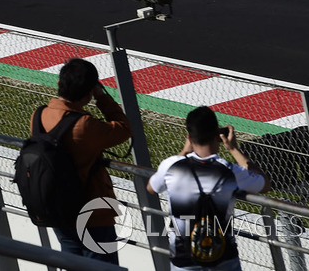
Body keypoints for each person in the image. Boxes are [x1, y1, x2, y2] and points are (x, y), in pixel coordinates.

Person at [148, 106, 271, 270]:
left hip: (183, 258)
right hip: (223, 257)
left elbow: (152, 188)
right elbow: (264, 184)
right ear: (217, 136)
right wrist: (234, 149)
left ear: (190, 138)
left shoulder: (171, 166)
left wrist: (185, 150)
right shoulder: (230, 171)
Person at [37, 58, 132, 264]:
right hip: (92, 214)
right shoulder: (85, 125)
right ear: (89, 91)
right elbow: (124, 128)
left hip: (57, 210)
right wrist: (102, 97)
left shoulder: (40, 115)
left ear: (60, 84)